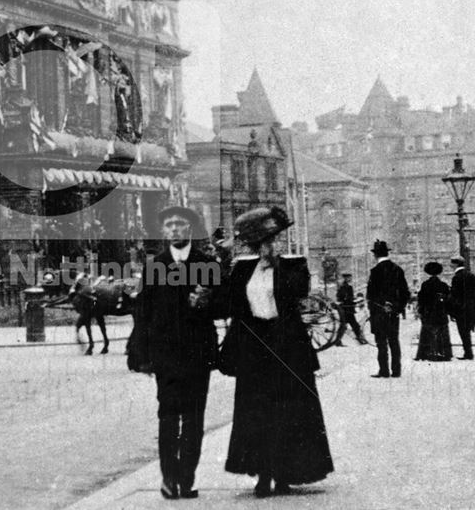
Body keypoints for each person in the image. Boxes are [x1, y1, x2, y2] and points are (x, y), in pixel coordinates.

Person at [222, 206, 333, 497]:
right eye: (268, 242)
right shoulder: (243, 268)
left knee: (288, 412)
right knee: (257, 413)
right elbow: (230, 302)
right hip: (255, 348)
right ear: (257, 244)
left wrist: (278, 265)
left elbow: (298, 291)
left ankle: (284, 473)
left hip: (287, 348)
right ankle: (263, 474)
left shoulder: (294, 265)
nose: (274, 246)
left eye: (277, 240)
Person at [129, 205, 220, 500]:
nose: (174, 229)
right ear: (164, 231)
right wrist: (141, 355)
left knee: (194, 419)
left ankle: (186, 478)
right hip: (165, 356)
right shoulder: (156, 266)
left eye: (180, 223)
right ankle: (168, 478)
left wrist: (208, 302)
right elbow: (142, 312)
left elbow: (226, 305)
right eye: (169, 225)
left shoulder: (206, 263)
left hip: (198, 354)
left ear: (190, 229)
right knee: (168, 416)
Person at [365, 240, 409, 378]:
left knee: (381, 343)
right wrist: (397, 308)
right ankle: (396, 371)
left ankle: (384, 370)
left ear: (375, 255)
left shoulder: (375, 271)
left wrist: (376, 307)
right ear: (387, 252)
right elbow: (405, 293)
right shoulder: (397, 269)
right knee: (394, 341)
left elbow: (370, 295)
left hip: (378, 313)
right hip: (393, 313)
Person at [414, 262, 452, 362]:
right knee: (442, 333)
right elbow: (448, 300)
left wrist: (420, 311)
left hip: (429, 312)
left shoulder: (425, 285)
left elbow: (421, 299)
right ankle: (443, 353)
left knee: (427, 332)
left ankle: (426, 353)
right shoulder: (443, 285)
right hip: (441, 312)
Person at [448, 256, 475, 360]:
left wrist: (452, 310)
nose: (450, 265)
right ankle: (468, 352)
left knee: (463, 331)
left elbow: (454, 295)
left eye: (451, 263)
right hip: (470, 307)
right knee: (467, 331)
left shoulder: (457, 277)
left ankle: (468, 353)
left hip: (460, 308)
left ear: (456, 264)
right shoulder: (470, 275)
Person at [334, 273, 367, 346]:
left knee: (344, 326)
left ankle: (337, 341)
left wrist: (354, 300)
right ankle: (360, 340)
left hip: (345, 308)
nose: (350, 279)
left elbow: (342, 297)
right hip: (347, 309)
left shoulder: (343, 287)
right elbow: (346, 298)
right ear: (346, 278)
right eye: (349, 278)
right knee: (354, 325)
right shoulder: (347, 287)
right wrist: (353, 301)